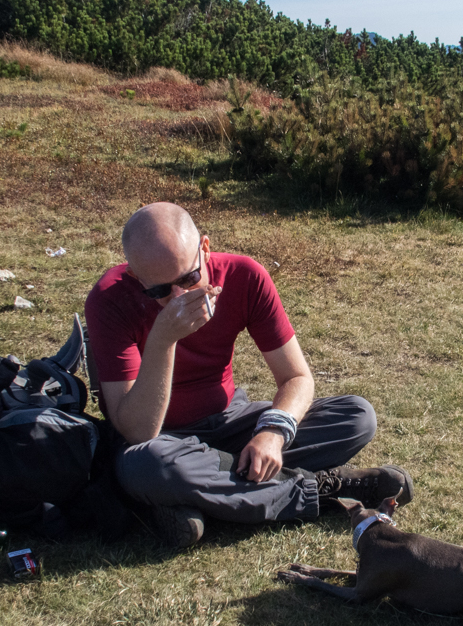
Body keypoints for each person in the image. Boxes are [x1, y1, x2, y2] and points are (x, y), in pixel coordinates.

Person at [84, 202, 412, 547]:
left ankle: (198, 499)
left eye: (189, 278)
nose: (179, 296)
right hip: (161, 441)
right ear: (137, 277)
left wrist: (273, 431)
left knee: (356, 416)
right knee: (148, 466)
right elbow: (137, 430)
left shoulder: (244, 275)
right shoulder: (109, 298)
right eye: (160, 291)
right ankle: (328, 490)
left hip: (231, 421)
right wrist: (164, 339)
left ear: (205, 249)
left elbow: (297, 378)